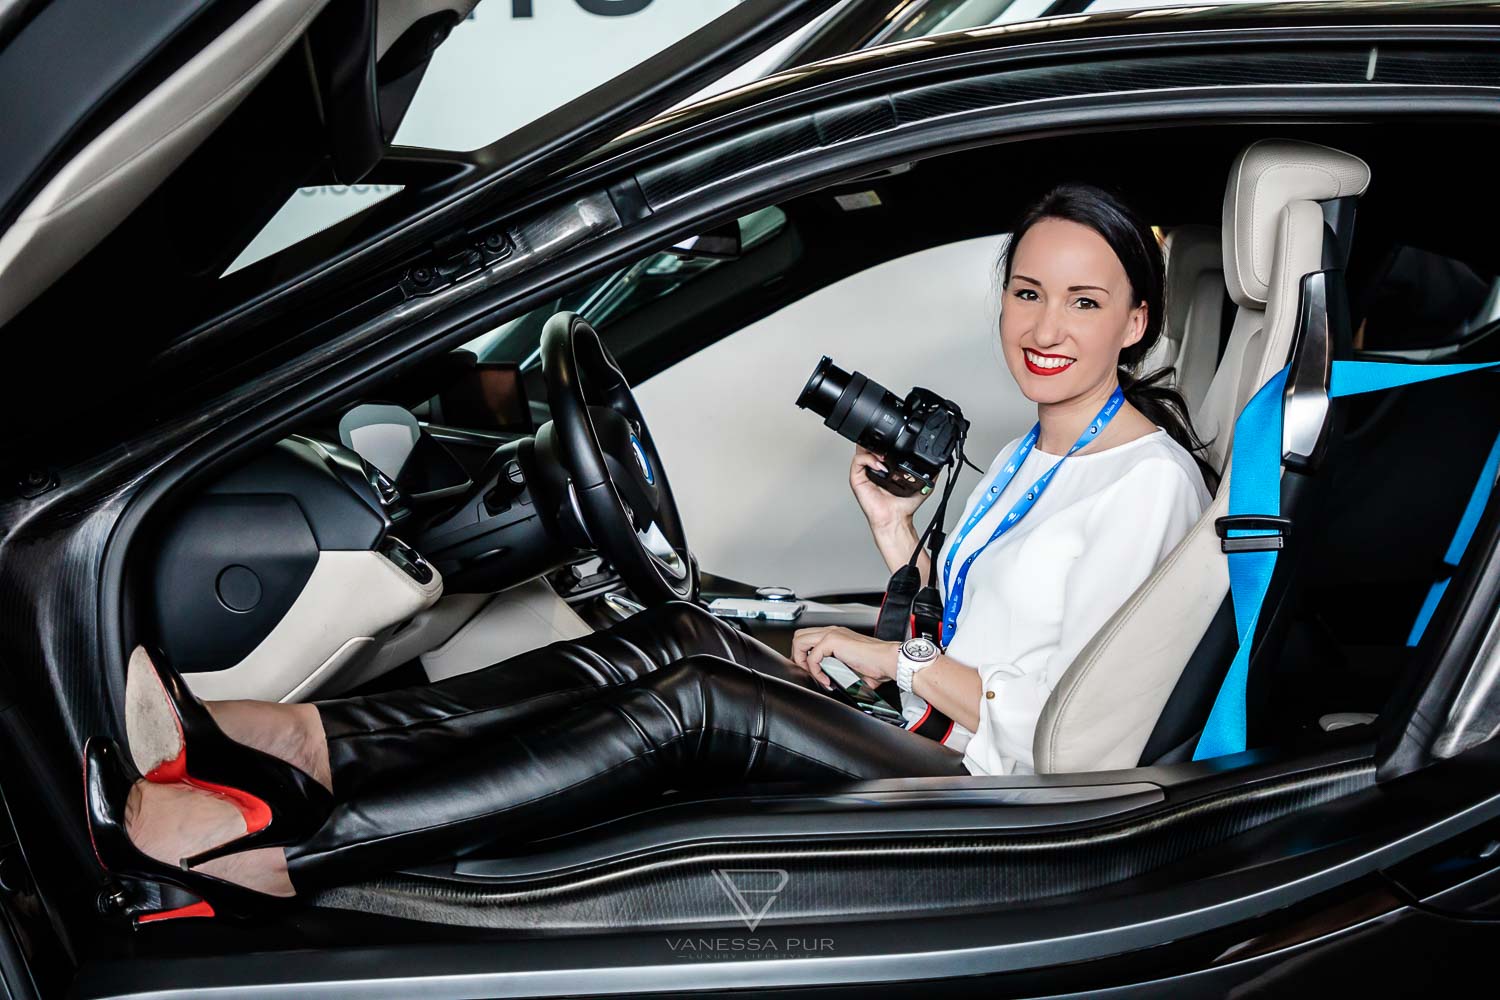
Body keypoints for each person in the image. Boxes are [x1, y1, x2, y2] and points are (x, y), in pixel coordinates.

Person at [83, 182, 1212, 922]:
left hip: (1000, 796)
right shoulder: (1033, 449)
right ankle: (288, 740)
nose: (1044, 327)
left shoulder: (1148, 483)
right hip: (928, 732)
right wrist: (898, 548)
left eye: (1083, 301)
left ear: (1137, 323)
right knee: (674, 632)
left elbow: (1050, 719)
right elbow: (975, 628)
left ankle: (291, 858)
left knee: (698, 702)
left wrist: (892, 665)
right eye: (1027, 292)